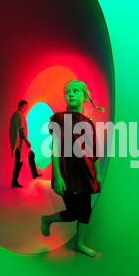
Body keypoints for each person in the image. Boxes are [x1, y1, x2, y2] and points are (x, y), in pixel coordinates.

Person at [40, 80, 104, 257]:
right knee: (74, 211)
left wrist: (97, 174)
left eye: (75, 91)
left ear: (85, 96)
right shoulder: (60, 118)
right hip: (68, 173)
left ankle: (79, 244)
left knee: (86, 210)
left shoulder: (89, 123)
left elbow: (93, 151)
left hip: (86, 173)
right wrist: (57, 175)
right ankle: (48, 219)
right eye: (67, 92)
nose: (71, 93)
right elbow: (55, 147)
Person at [10, 100, 32, 188]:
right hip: (19, 145)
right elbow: (21, 129)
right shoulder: (19, 114)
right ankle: (14, 182)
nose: (26, 108)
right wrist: (26, 141)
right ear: (22, 106)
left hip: (18, 144)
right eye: (26, 106)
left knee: (20, 162)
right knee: (18, 163)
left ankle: (14, 182)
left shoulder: (15, 114)